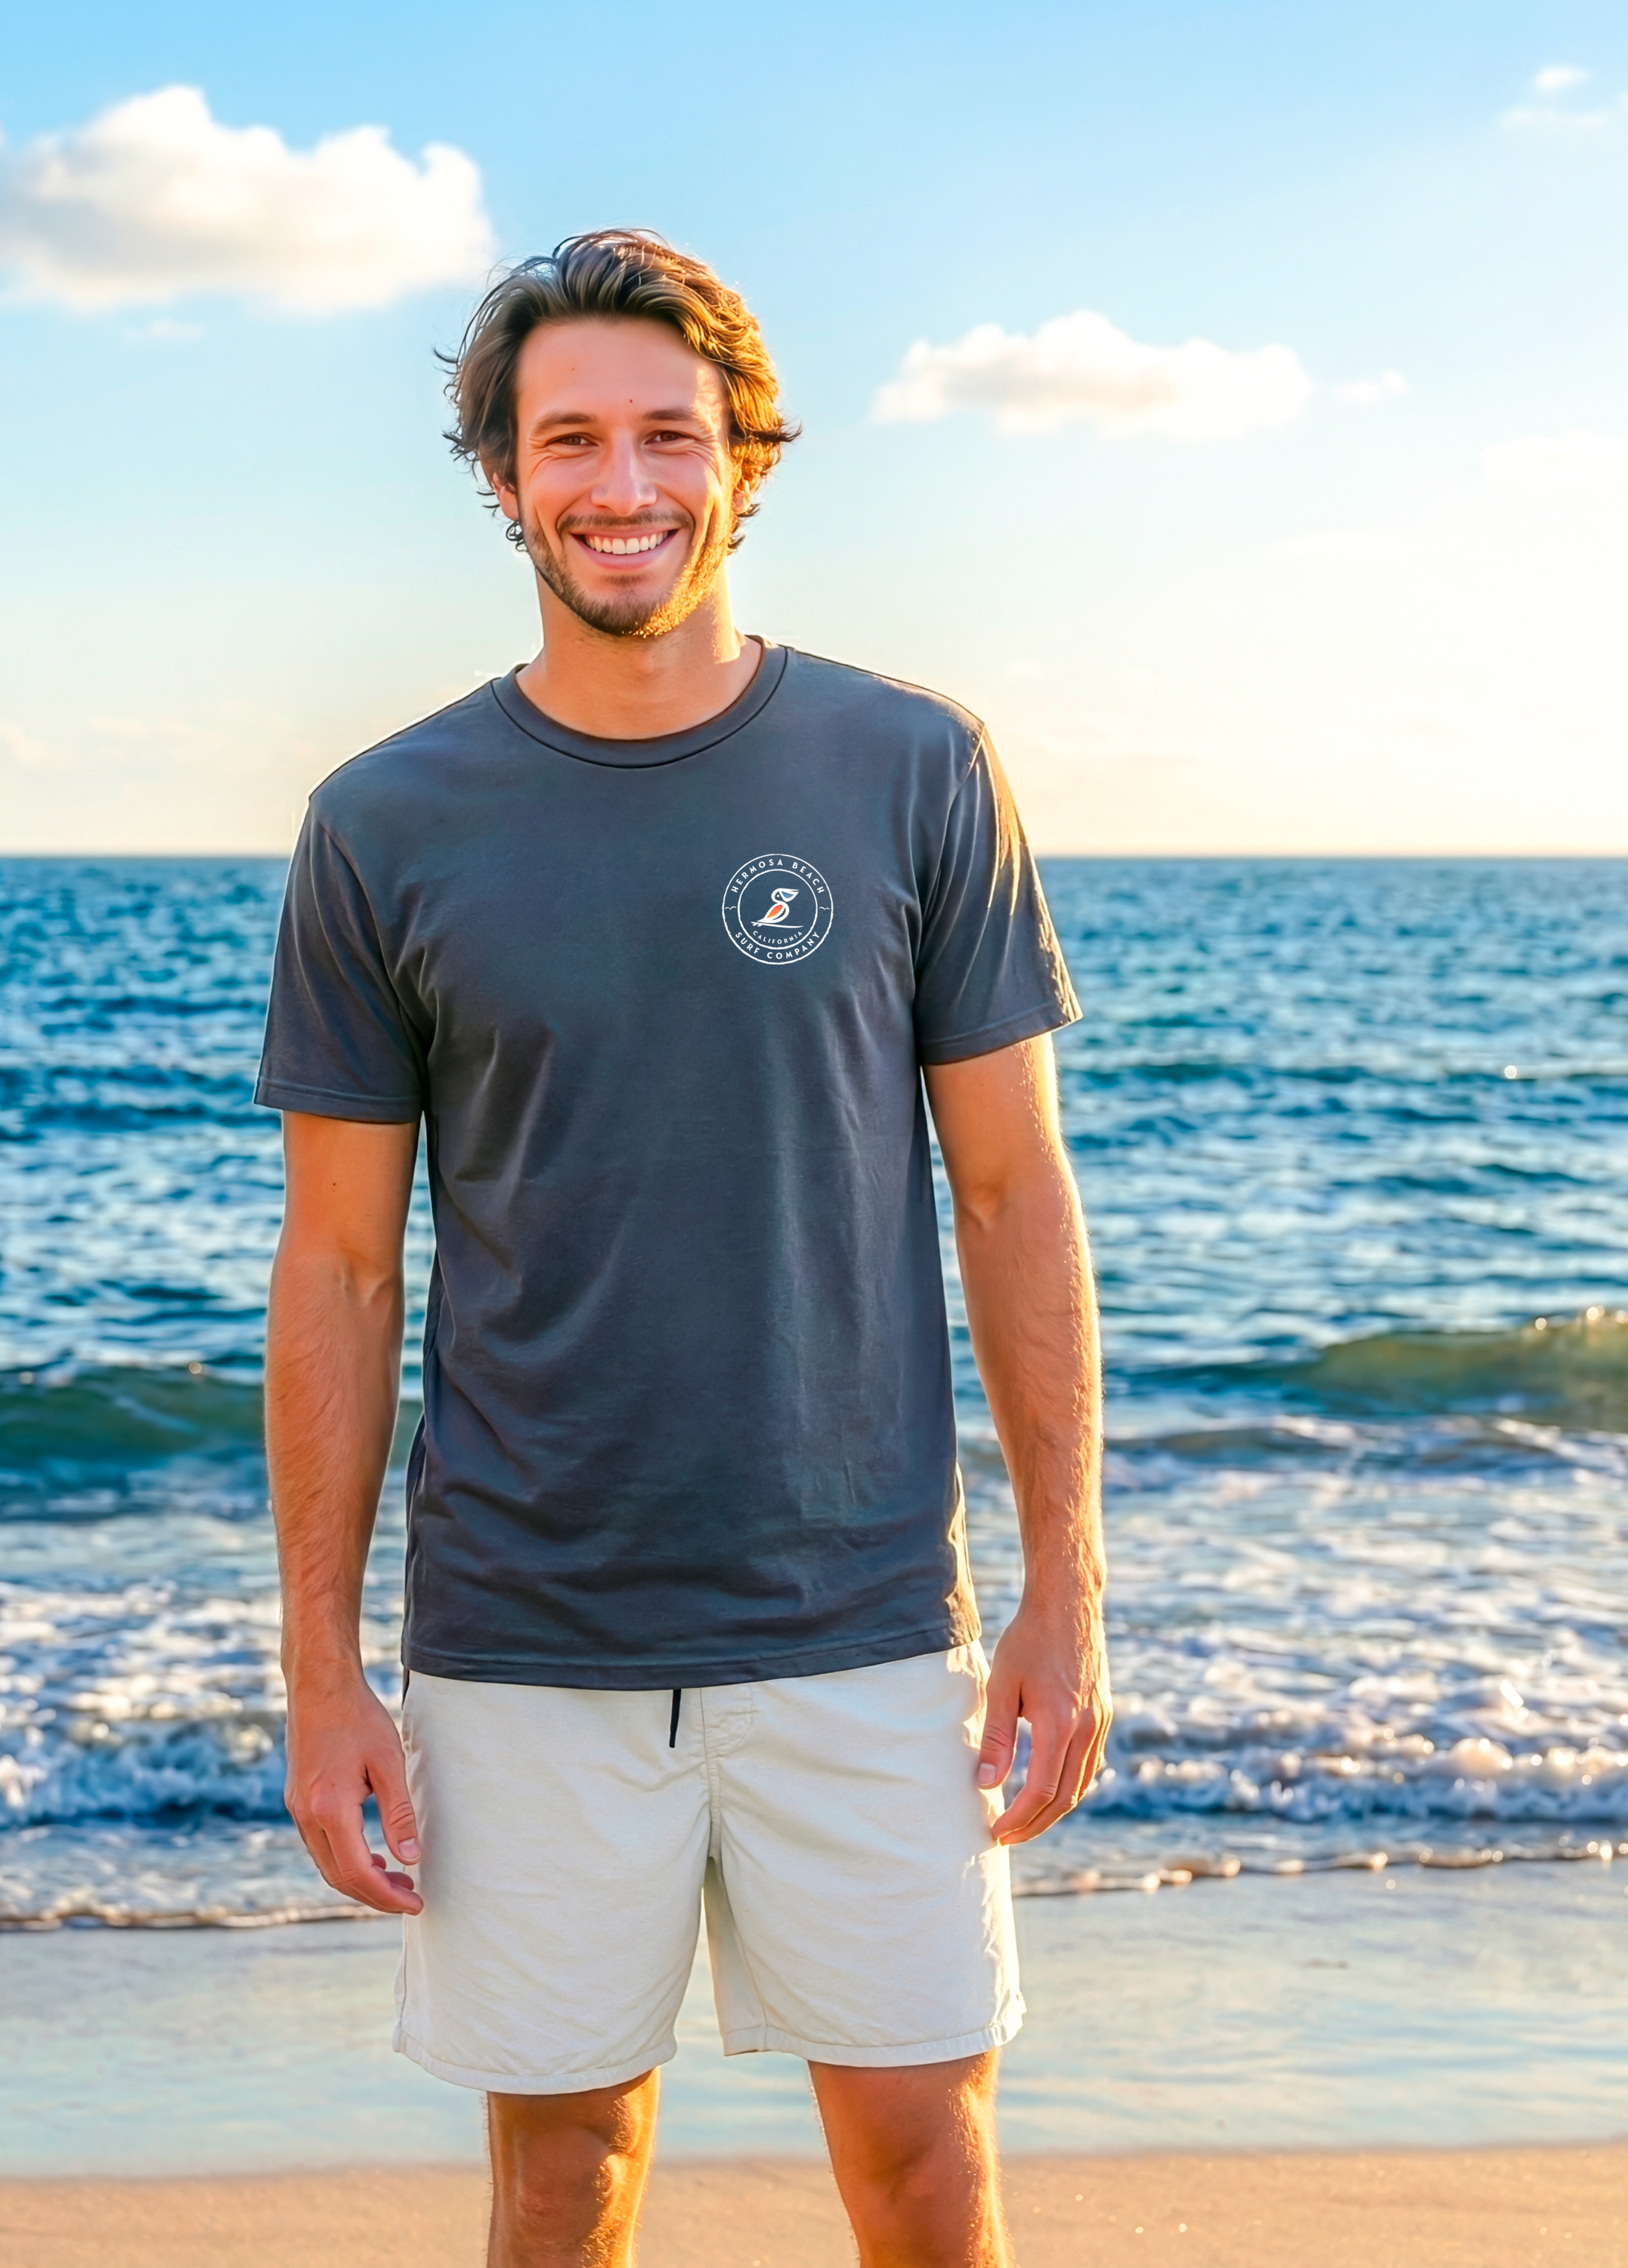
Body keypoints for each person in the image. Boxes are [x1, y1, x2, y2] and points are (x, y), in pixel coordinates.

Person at [258, 228, 1107, 2268]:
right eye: (570, 438)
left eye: (666, 432)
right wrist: (318, 1671)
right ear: (502, 475)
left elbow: (1011, 1194)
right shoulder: (385, 822)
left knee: (923, 2162)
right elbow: (341, 1270)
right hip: (525, 1634)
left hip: (868, 1620)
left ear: (746, 458)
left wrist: (1069, 1579)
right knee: (565, 2175)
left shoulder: (911, 767)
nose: (620, 480)